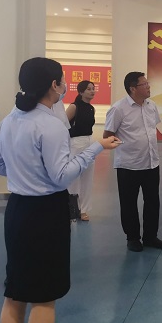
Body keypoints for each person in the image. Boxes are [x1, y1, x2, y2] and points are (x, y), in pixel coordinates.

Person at [0, 57, 119, 323]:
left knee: (15, 291)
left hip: (17, 210)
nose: (65, 85)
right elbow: (61, 176)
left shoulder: (9, 121)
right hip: (46, 214)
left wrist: (22, 172)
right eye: (63, 80)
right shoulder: (51, 126)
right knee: (44, 297)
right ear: (54, 85)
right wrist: (96, 147)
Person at [103, 72, 162, 252]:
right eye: (144, 84)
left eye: (148, 83)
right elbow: (108, 135)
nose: (148, 86)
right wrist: (127, 147)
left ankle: (150, 236)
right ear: (133, 88)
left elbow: (151, 129)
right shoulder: (118, 109)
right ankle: (132, 238)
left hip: (151, 162)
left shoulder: (151, 106)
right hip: (128, 165)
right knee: (129, 203)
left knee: (152, 201)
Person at [66, 80, 97, 221]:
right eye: (88, 89)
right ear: (81, 92)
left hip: (89, 142)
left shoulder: (92, 108)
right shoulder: (74, 107)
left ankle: (84, 210)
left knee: (87, 178)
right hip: (75, 143)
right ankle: (72, 208)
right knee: (73, 177)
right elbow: (63, 126)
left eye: (93, 88)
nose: (92, 91)